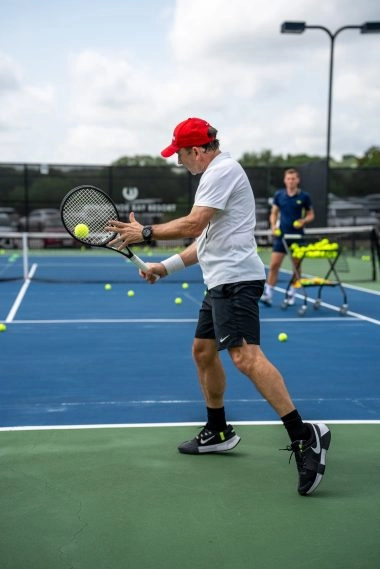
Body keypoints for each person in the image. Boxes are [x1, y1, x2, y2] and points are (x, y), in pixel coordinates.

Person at [105, 117, 331, 496]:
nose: (178, 162)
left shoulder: (221, 171)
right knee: (203, 351)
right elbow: (205, 241)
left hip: (236, 280)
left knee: (245, 358)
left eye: (179, 154)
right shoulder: (214, 178)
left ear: (196, 150)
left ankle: (305, 435)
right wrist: (164, 266)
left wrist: (145, 233)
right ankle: (218, 430)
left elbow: (194, 225)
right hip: (220, 281)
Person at [260, 168, 315, 306]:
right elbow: (274, 213)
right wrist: (273, 226)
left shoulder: (304, 196)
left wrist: (303, 221)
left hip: (297, 236)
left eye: (293, 178)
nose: (291, 181)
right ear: (285, 180)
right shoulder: (279, 195)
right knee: (274, 265)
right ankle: (268, 294)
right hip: (281, 236)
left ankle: (291, 294)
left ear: (298, 180)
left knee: (296, 267)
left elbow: (310, 215)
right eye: (288, 178)